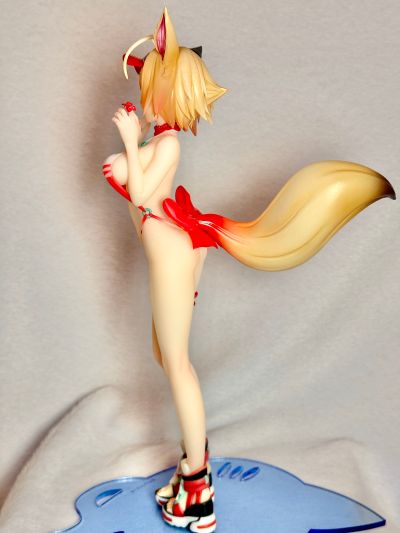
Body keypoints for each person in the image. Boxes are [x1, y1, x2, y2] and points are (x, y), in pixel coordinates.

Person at [102, 7, 395, 532]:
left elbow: (143, 195)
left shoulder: (165, 144)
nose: (142, 99)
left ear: (163, 94)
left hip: (171, 254)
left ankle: (199, 490)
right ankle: (191, 466)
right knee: (166, 357)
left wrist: (127, 140)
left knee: (177, 364)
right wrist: (135, 139)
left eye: (148, 87)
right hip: (172, 248)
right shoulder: (157, 138)